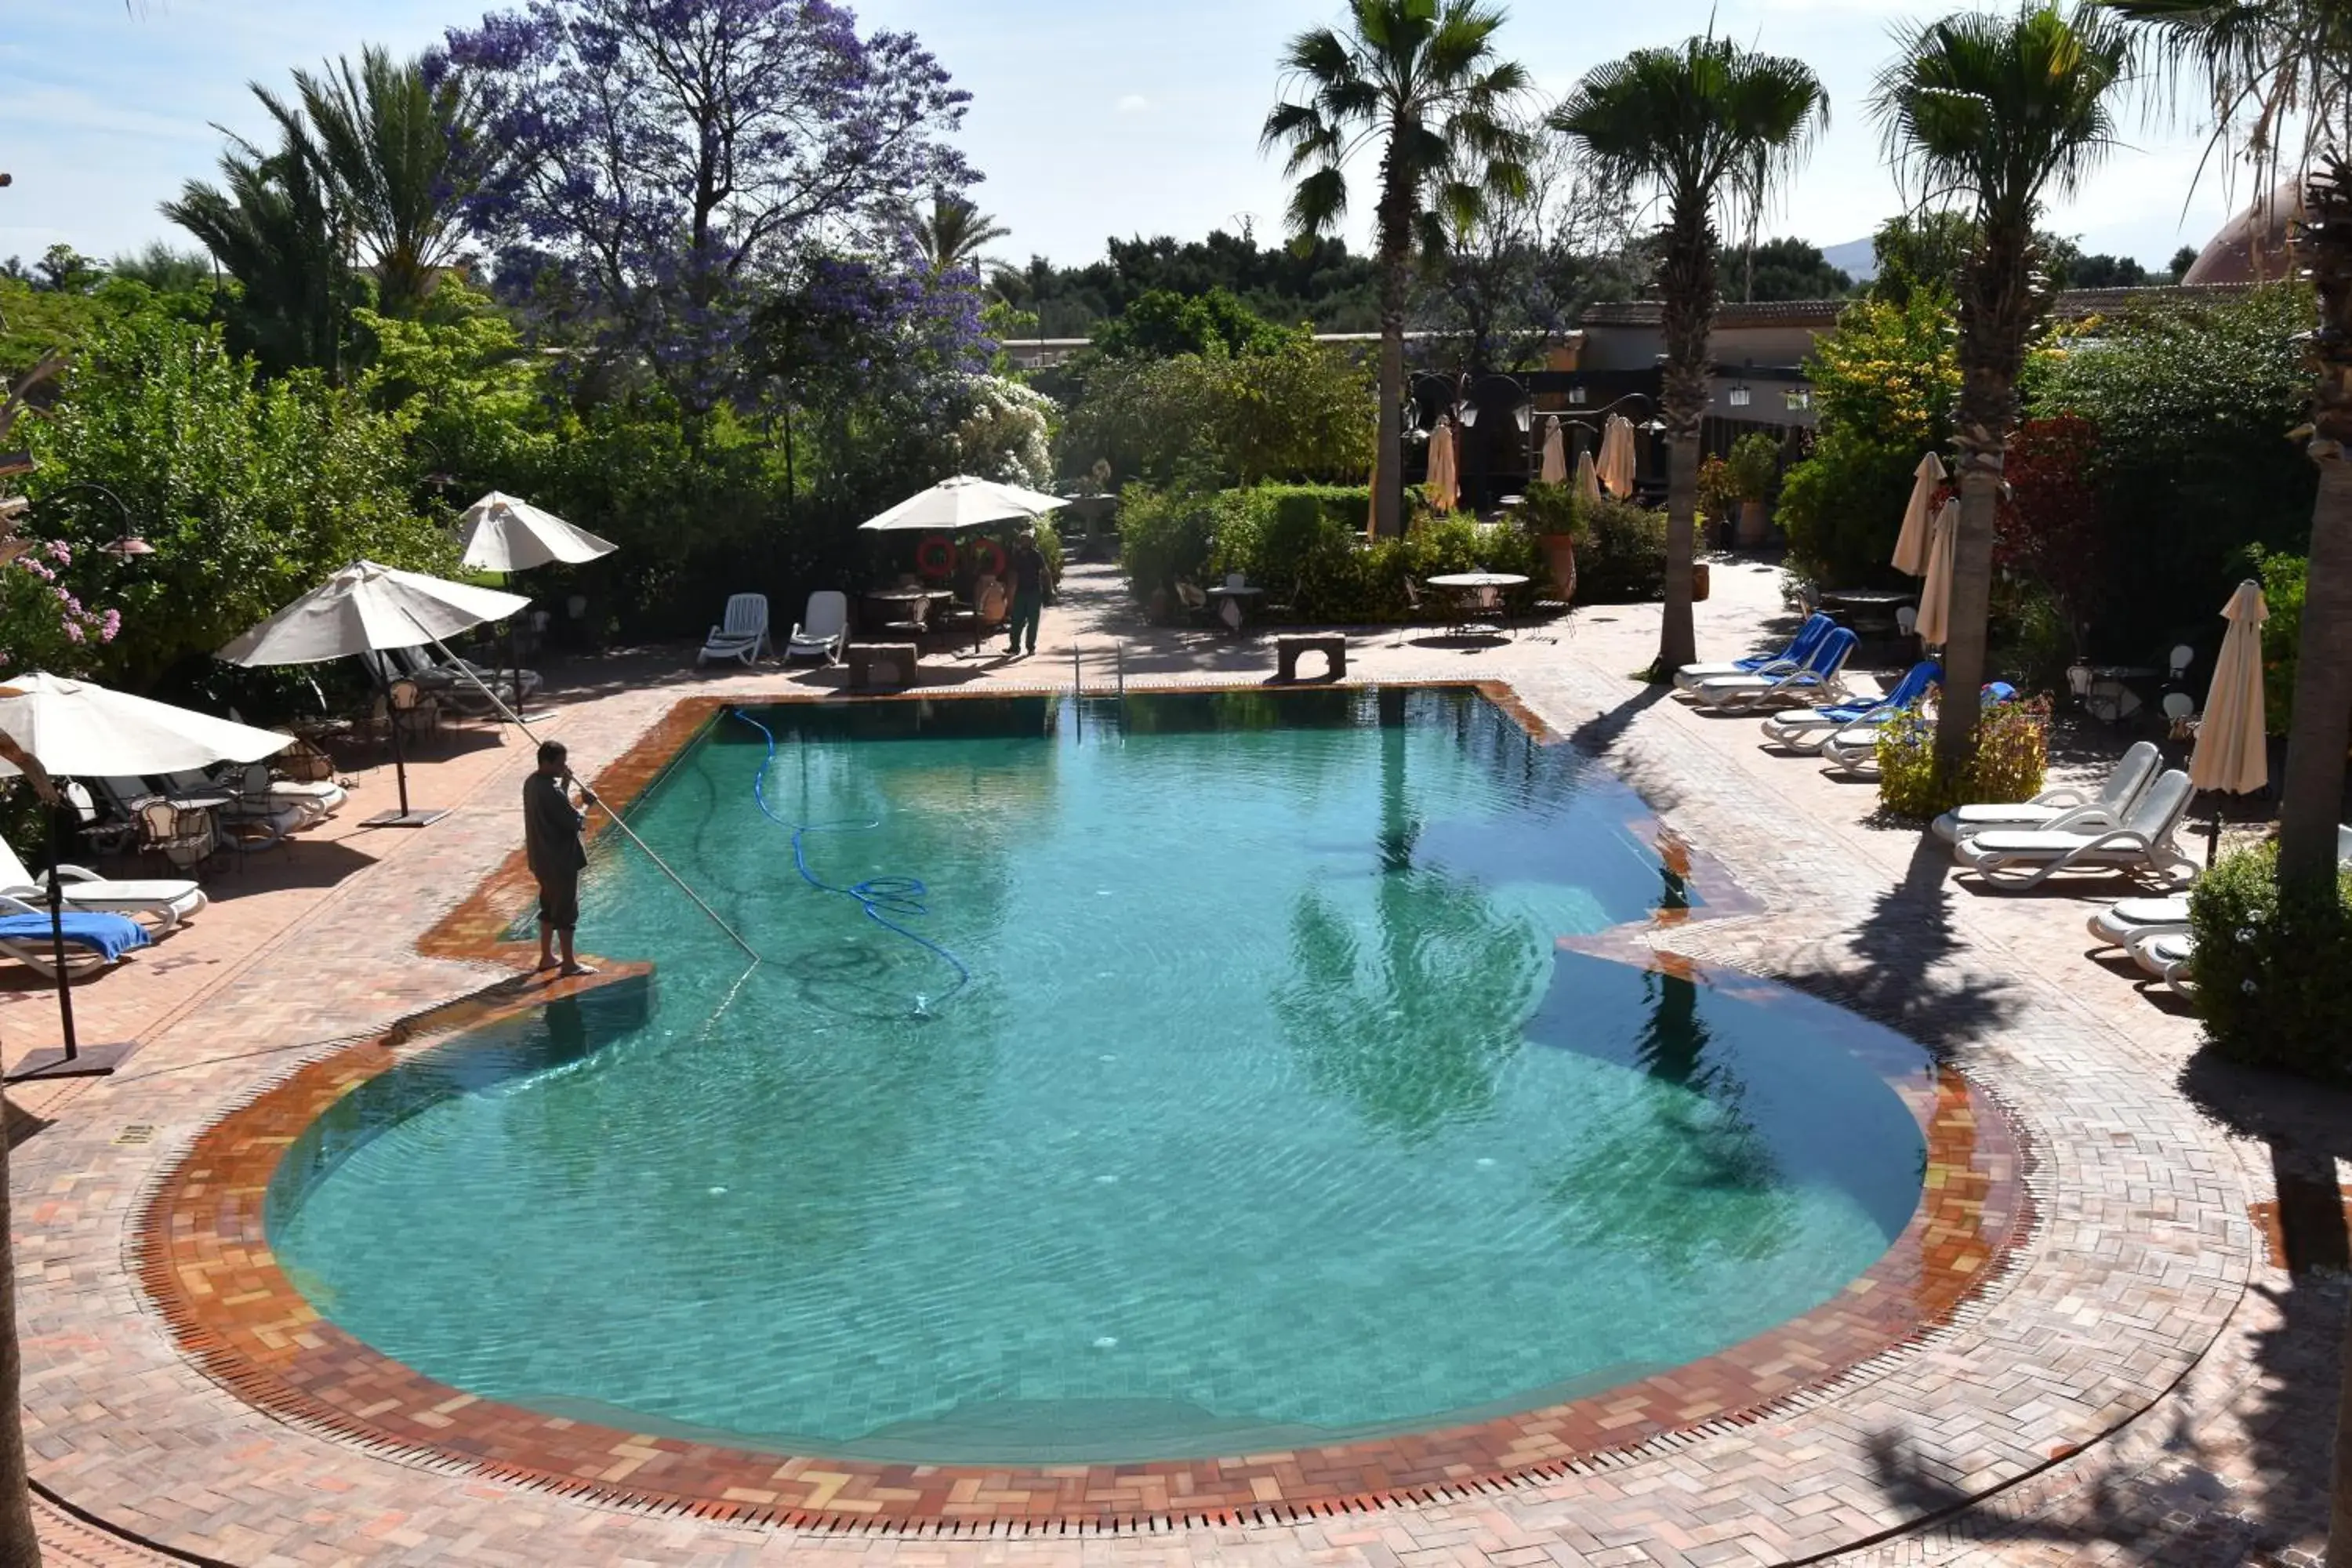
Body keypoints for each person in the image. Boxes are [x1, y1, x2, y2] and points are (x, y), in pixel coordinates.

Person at [524, 739, 594, 976]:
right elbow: (574, 822)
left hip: (540, 859)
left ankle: (546, 957)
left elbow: (555, 807)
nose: (564, 767)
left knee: (548, 906)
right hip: (559, 860)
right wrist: (586, 805)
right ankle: (569, 964)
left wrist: (564, 782)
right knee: (566, 911)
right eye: (560, 764)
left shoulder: (532, 783)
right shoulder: (549, 789)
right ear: (546, 762)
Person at [1004, 530, 1045, 657]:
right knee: (1017, 621)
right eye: (1023, 539)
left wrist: (1050, 591)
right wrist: (1009, 593)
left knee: (1033, 622)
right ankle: (1014, 647)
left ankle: (1030, 647)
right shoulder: (1016, 556)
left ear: (1032, 541)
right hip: (1020, 592)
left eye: (1027, 539)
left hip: (1034, 592)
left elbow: (1045, 572)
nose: (1025, 541)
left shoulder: (1036, 555)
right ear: (1020, 541)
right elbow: (1012, 575)